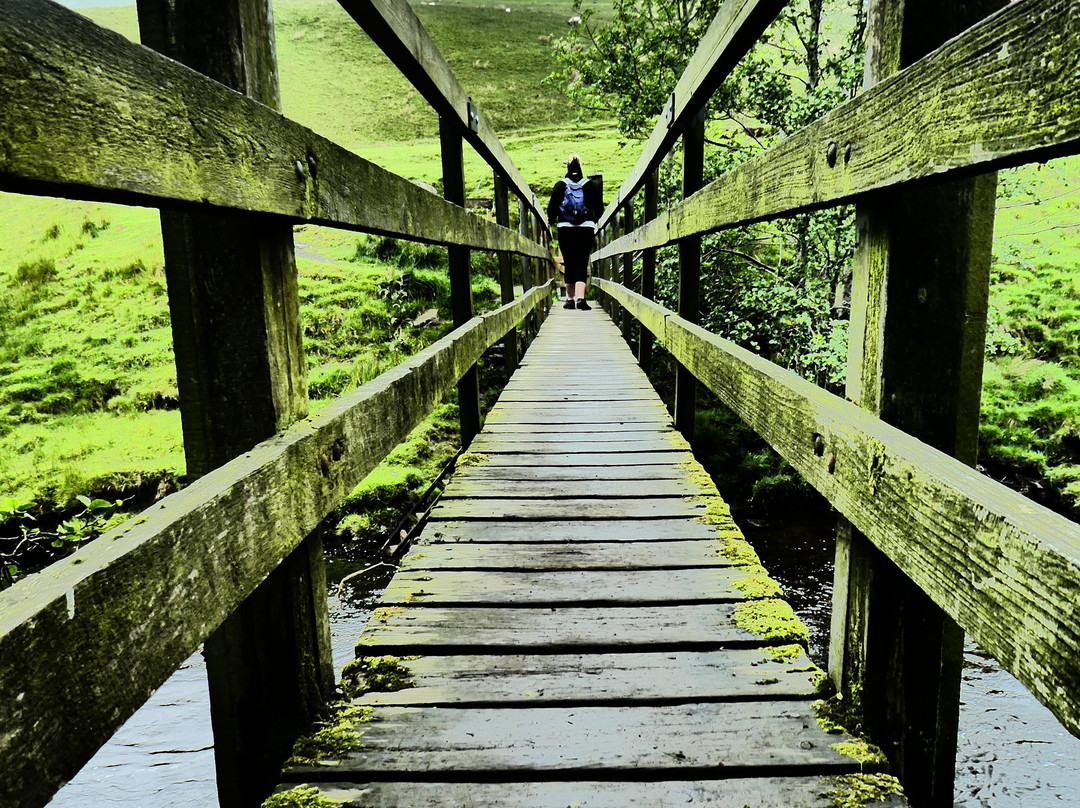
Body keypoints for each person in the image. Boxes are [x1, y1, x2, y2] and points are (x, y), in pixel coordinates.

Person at [547, 154, 602, 310]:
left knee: (569, 262)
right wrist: (592, 220)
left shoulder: (560, 185)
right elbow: (599, 210)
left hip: (565, 229)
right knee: (582, 261)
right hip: (586, 229)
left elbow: (551, 210)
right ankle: (581, 299)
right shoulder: (590, 185)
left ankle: (569, 299)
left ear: (567, 168)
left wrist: (552, 221)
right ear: (581, 167)